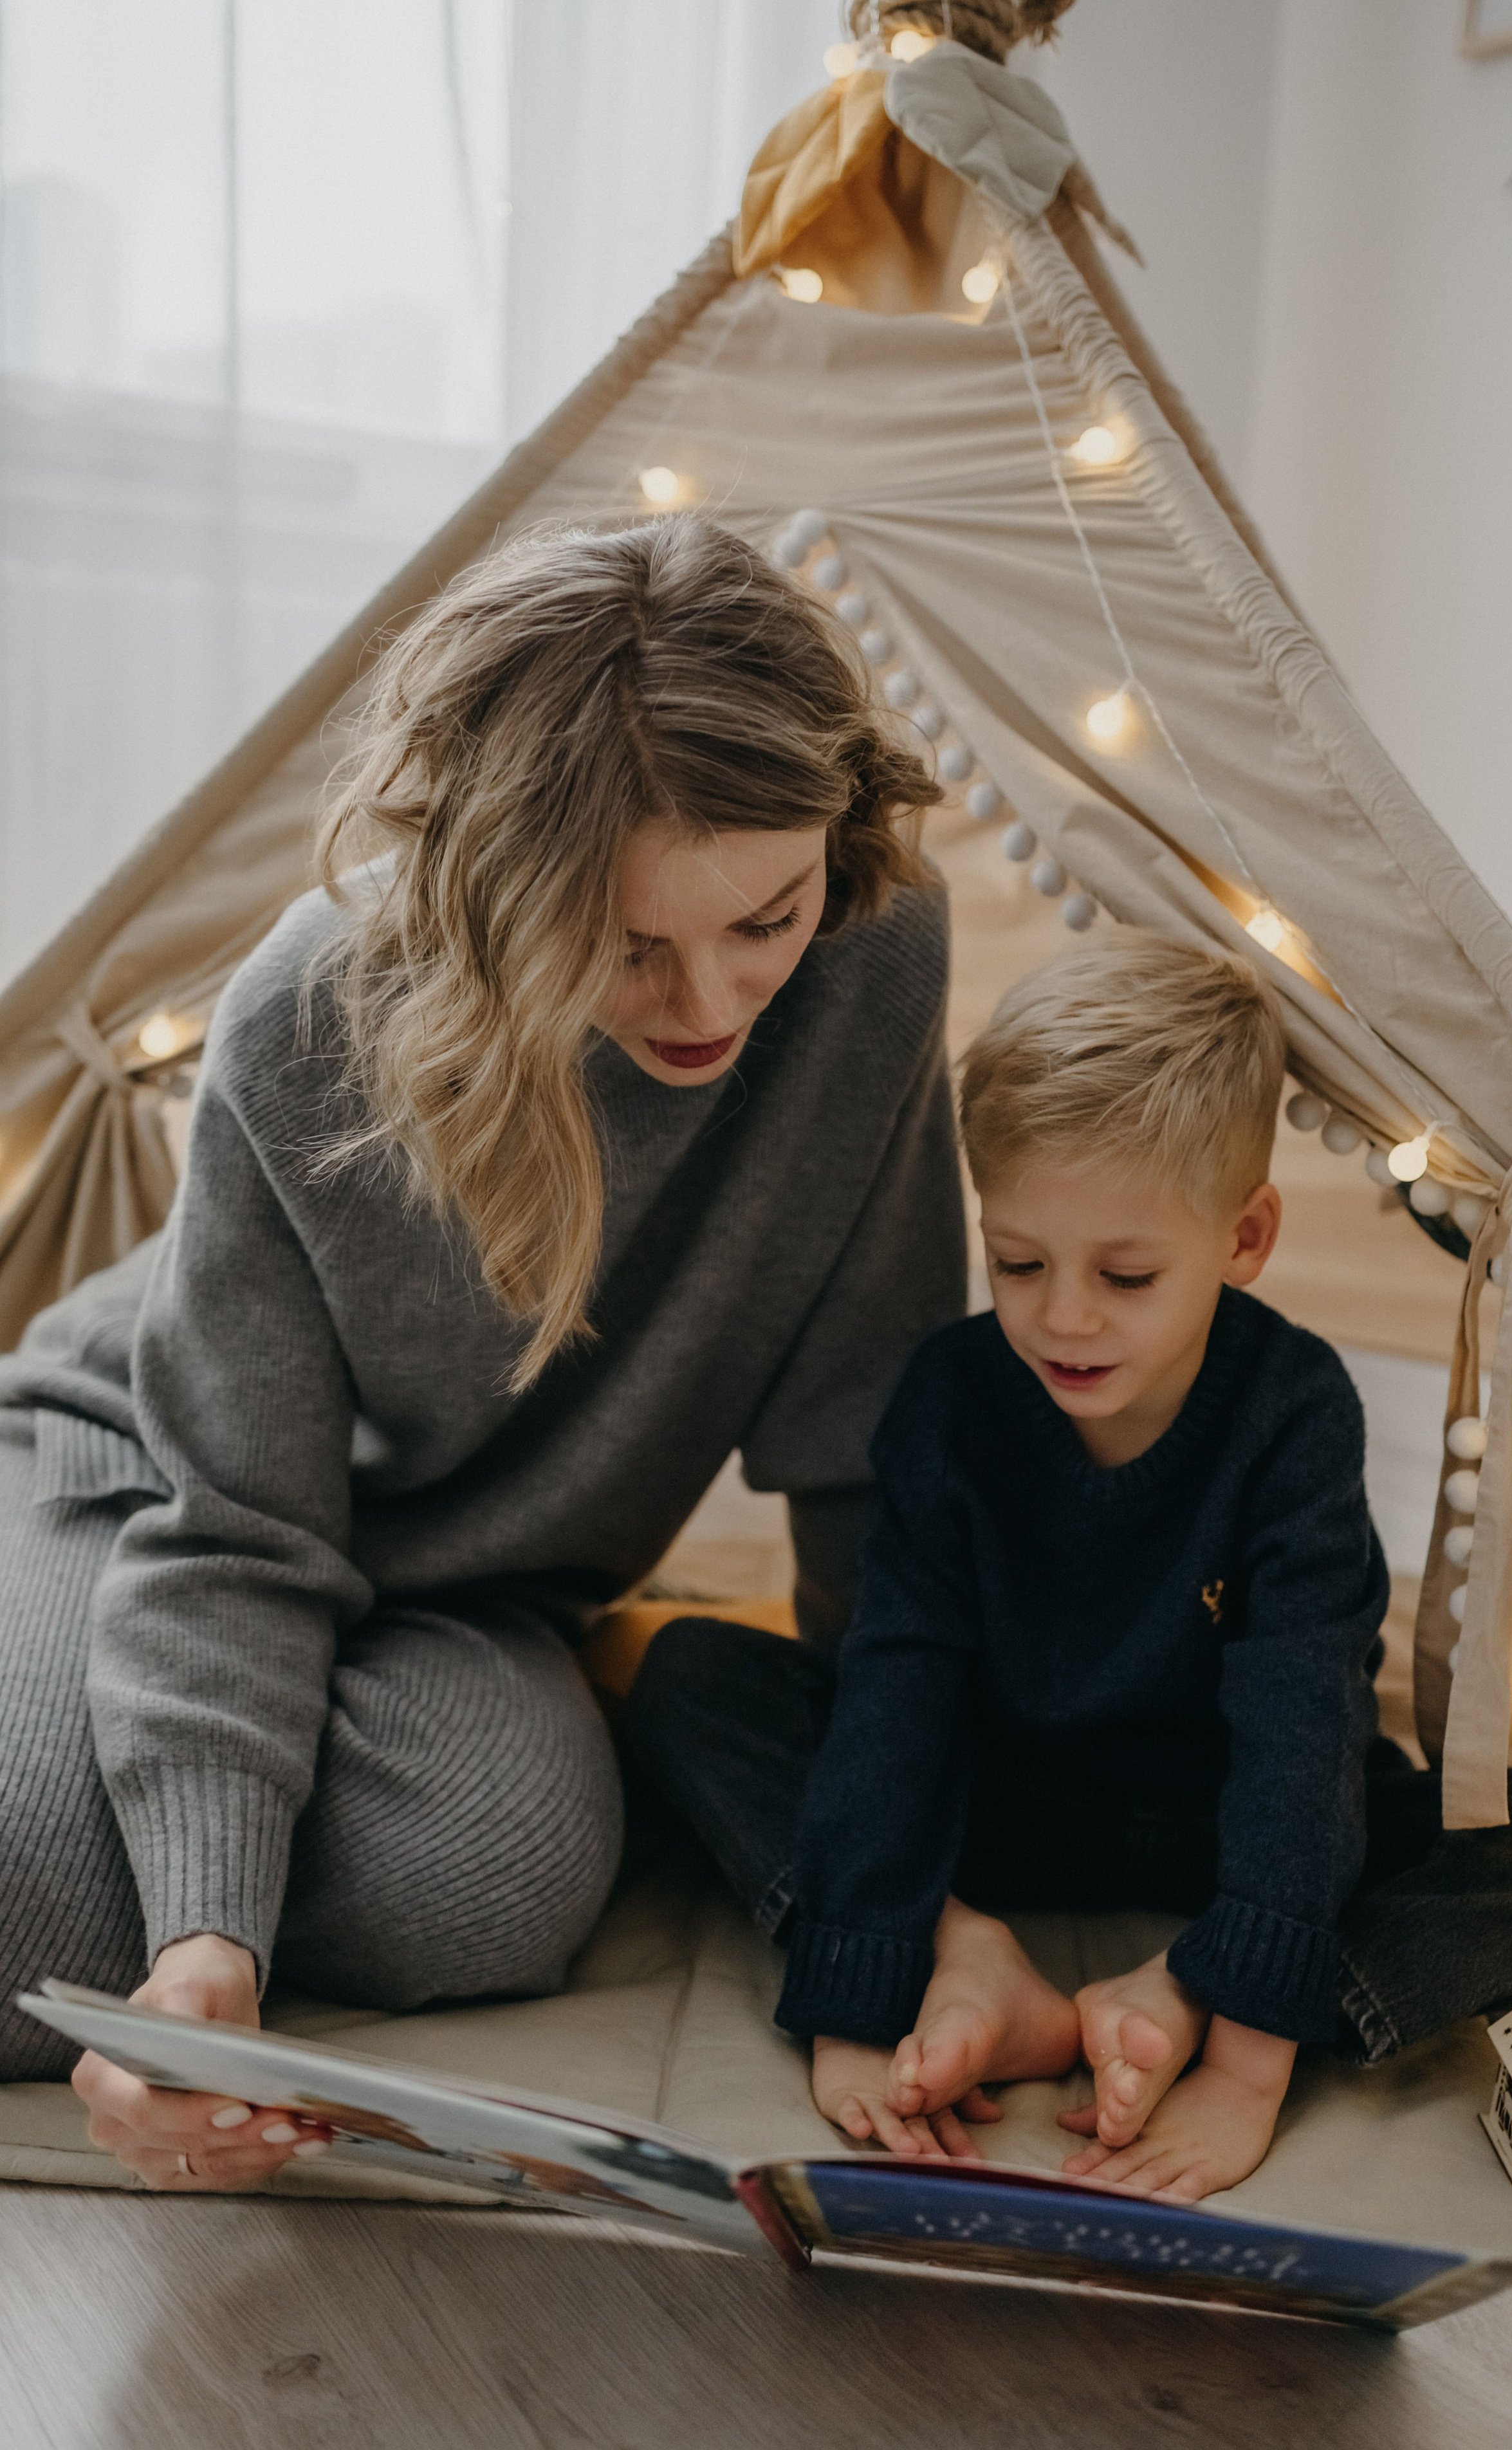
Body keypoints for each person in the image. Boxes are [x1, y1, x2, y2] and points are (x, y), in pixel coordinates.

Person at [0, 513, 967, 2192]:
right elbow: (238, 1527)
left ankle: (160, 1819)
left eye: (766, 915)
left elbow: (871, 1461)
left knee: (502, 1880)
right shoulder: (311, 1014)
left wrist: (902, 1886)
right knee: (55, 1897)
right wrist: (205, 1950)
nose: (713, 998)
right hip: (147, 1479)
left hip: (469, 1584)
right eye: (626, 940)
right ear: (492, 891)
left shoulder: (874, 952)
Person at [629, 932, 1512, 2200]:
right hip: (988, 1804)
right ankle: (970, 1956)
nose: (1062, 1316)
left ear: (1244, 1238)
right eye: (1016, 1262)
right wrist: (863, 1988)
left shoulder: (1292, 1410)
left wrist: (1239, 2053)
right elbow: (899, 1685)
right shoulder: (948, 1400)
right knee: (687, 1674)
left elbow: (1299, 1722)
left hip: (1229, 1822)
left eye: (1123, 1275)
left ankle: (1175, 1984)